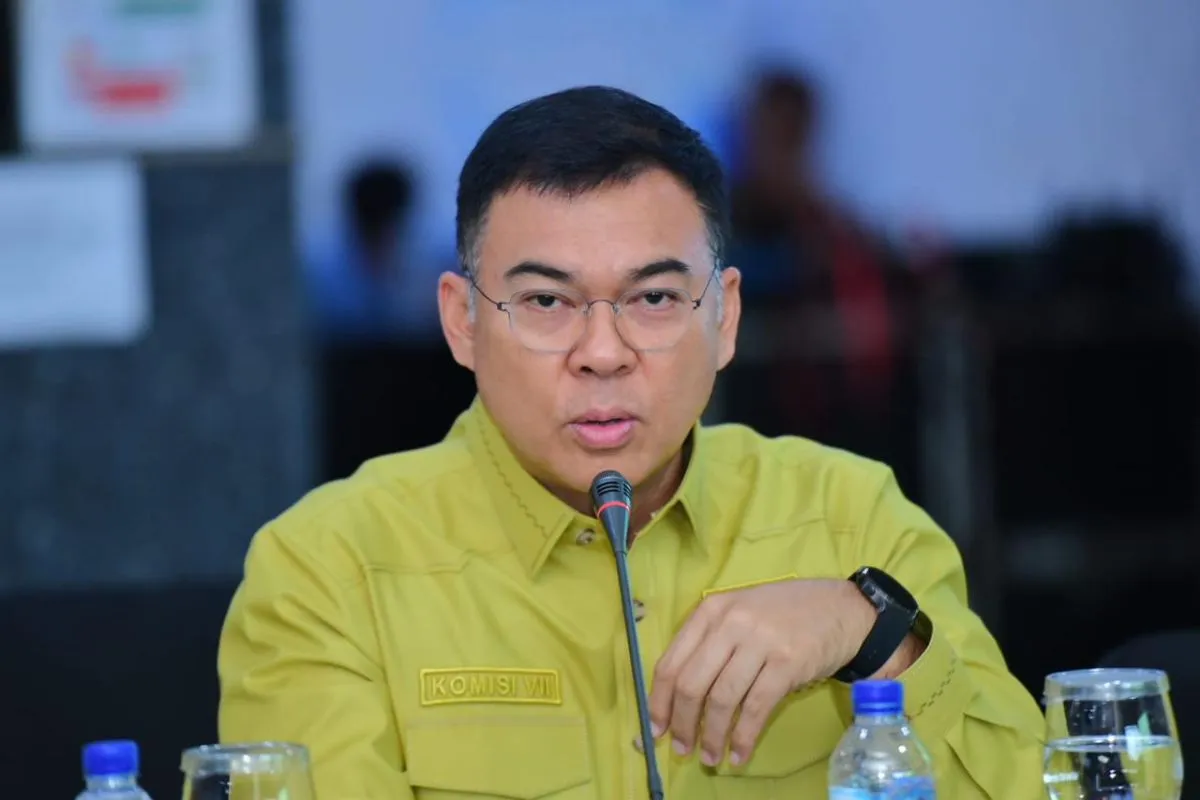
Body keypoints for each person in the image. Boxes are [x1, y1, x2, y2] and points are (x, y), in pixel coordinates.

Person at [218, 86, 1043, 798]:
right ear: (462, 321)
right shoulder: (328, 571)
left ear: (724, 317)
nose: (603, 353)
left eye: (653, 299)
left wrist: (868, 633)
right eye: (547, 303)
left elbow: (1030, 779)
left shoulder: (850, 518)